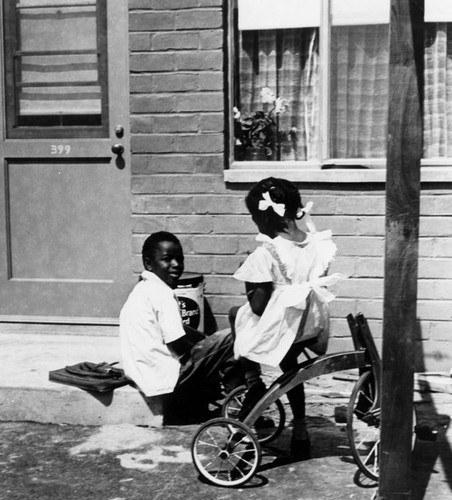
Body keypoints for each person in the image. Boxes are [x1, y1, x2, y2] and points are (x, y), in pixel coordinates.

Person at [230, 177, 345, 459]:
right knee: (291, 366)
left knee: (237, 314)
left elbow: (259, 308)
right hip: (309, 325)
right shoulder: (317, 243)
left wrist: (251, 283)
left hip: (285, 328)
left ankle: (252, 381)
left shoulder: (268, 251)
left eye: (255, 218)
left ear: (266, 216)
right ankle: (301, 428)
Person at [120, 231, 242, 424]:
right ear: (148, 263)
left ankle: (228, 402)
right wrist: (208, 352)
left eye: (179, 259)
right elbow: (178, 344)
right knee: (233, 337)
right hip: (167, 380)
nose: (176, 265)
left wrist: (204, 343)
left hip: (147, 377)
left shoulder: (143, 290)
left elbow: (180, 331)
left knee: (207, 342)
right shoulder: (162, 294)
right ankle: (241, 409)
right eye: (167, 259)